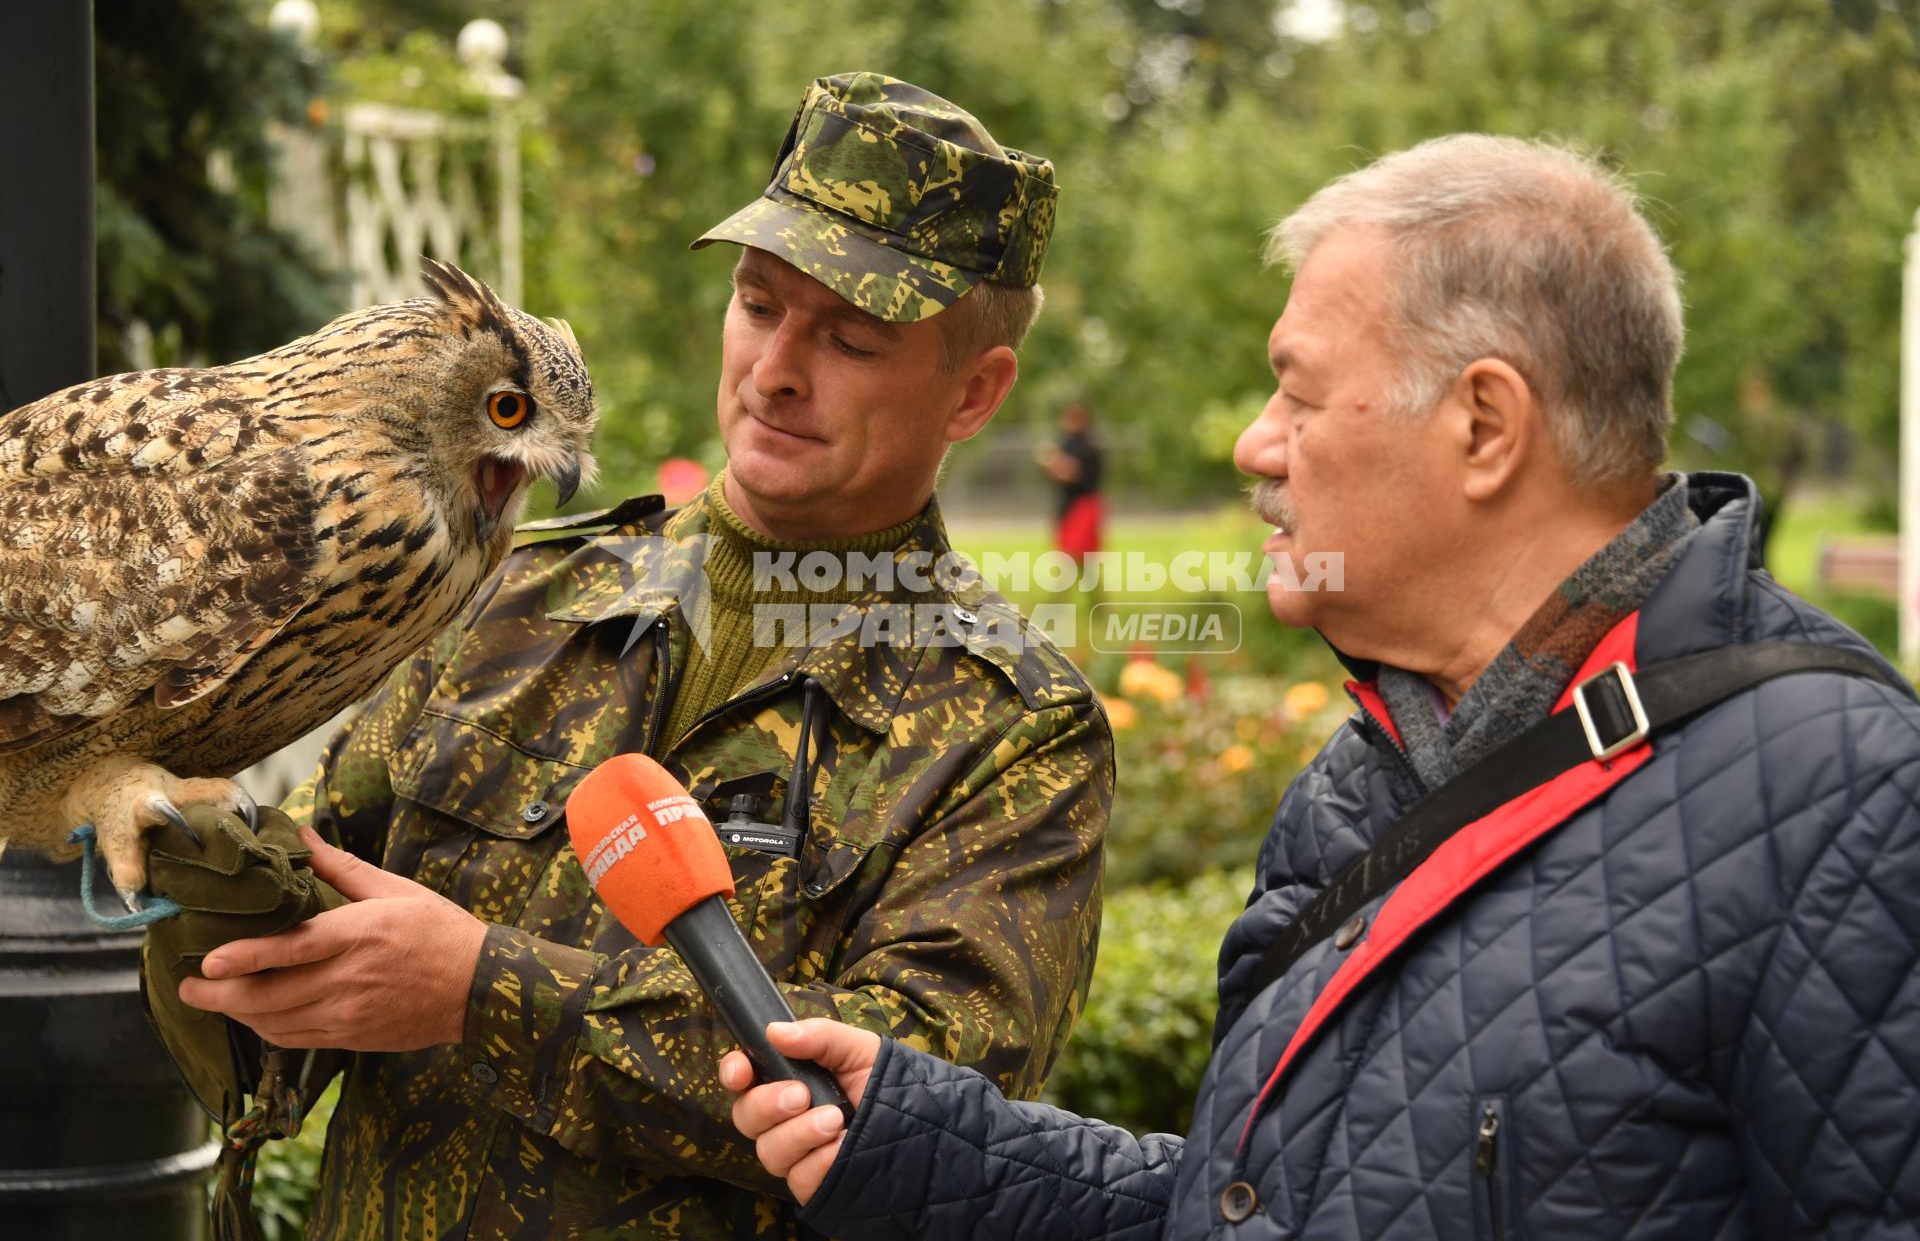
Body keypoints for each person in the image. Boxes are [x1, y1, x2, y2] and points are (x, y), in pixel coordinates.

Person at [723, 134, 1920, 1238]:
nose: (1254, 442)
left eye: (1297, 391)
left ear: (1485, 424)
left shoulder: (1846, 801)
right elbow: (1271, 1204)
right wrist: (930, 1143)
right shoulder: (1372, 776)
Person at [176, 72, 1114, 1239]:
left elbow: (910, 1111)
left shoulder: (1013, 725)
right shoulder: (505, 594)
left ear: (974, 392)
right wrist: (186, 862)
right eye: (758, 303)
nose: (775, 368)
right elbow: (295, 933)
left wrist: (483, 989)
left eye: (852, 338)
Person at [1039, 400, 1104, 562]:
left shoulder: (1087, 446)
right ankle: (1088, 585)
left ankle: (1066, 586)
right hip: (1069, 504)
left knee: (1075, 553)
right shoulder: (1068, 443)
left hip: (1084, 504)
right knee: (1074, 554)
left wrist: (1054, 465)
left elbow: (1071, 472)